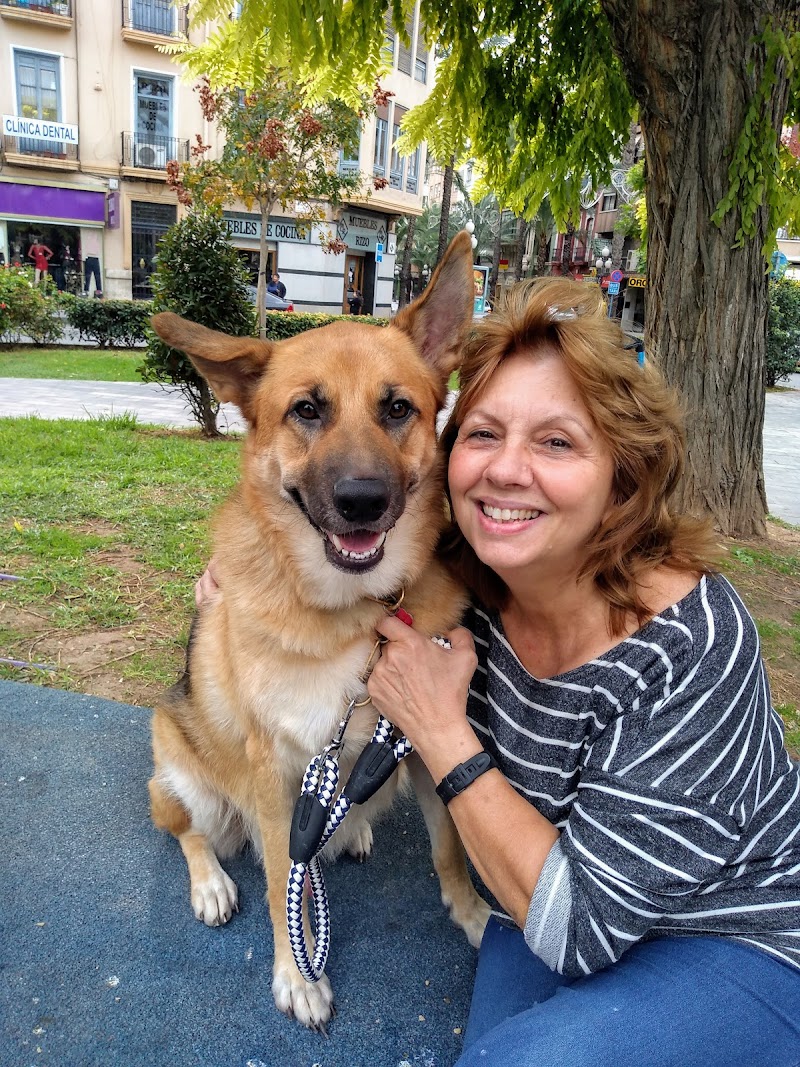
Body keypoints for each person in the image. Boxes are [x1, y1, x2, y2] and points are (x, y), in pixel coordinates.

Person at [365, 277, 800, 1067]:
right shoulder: (465, 578)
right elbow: (321, 571)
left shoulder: (690, 642)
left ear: (621, 479)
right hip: (546, 886)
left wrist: (437, 726)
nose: (506, 471)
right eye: (484, 433)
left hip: (734, 929)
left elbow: (580, 926)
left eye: (557, 442)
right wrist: (228, 583)